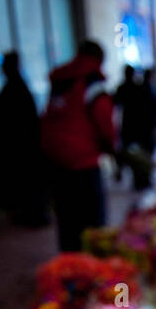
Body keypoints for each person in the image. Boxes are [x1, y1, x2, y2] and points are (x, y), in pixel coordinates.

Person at [40, 40, 116, 252]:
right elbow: (105, 124)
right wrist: (110, 149)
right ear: (99, 59)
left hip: (58, 164)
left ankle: (69, 270)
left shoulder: (60, 81)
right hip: (85, 164)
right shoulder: (93, 84)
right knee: (93, 227)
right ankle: (94, 273)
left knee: (67, 222)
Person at [0, 52, 47, 225]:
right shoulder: (17, 88)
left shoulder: (15, 89)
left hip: (20, 147)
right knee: (25, 185)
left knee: (24, 185)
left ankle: (30, 215)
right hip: (21, 147)